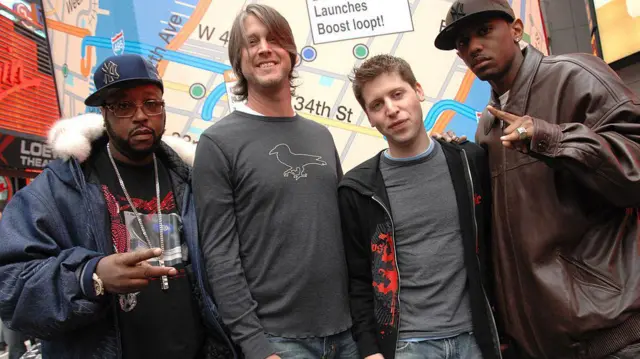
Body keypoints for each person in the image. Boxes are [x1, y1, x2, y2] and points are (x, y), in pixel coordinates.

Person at [434, 1, 640, 358]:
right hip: (542, 346)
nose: (474, 48)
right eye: (463, 43)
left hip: (614, 337)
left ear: (516, 30)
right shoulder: (488, 126)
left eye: (484, 31)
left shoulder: (575, 75)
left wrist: (552, 138)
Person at [0, 54, 235, 359]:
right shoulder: (62, 187)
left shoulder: (190, 181)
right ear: (104, 113)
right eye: (123, 105)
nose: (141, 115)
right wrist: (90, 277)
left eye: (152, 103)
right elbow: (10, 286)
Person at [192, 4, 357, 359]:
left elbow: (342, 233)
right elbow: (220, 256)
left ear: (291, 53)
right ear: (239, 60)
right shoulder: (217, 144)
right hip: (278, 343)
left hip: (347, 336)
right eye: (252, 42)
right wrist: (256, 347)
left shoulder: (321, 137)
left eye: (274, 39)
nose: (265, 48)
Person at [339, 54, 500, 359]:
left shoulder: (469, 162)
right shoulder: (358, 190)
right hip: (407, 346)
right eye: (377, 104)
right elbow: (358, 281)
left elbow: (496, 246)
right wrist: (370, 351)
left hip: (474, 339)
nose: (391, 109)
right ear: (369, 117)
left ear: (419, 91)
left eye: (397, 94)